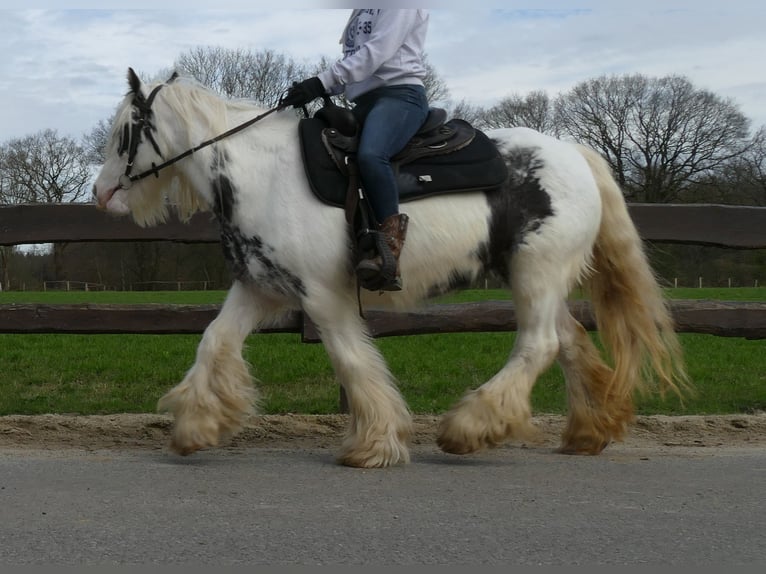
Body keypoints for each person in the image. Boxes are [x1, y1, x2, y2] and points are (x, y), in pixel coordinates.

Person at [280, 9, 430, 291]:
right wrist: (315, 87)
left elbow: (377, 52)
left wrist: (322, 81)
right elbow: (355, 65)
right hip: (364, 102)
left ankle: (390, 254)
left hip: (400, 96)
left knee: (372, 155)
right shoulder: (362, 9)